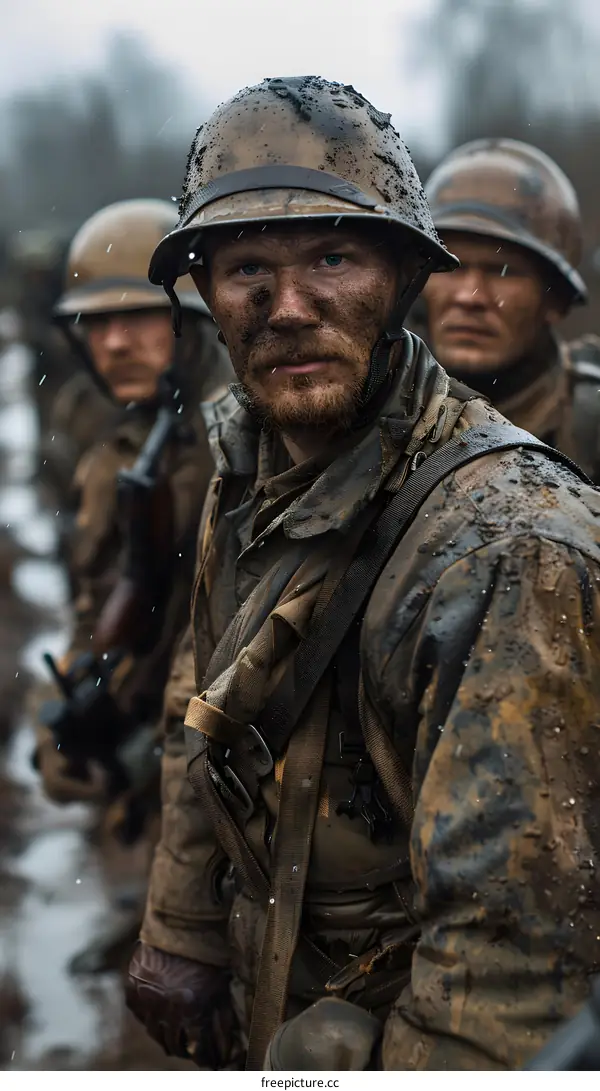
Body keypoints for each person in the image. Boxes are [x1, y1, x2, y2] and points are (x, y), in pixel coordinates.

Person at [125, 78, 600, 1071]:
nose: (287, 307)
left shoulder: (508, 545)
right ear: (207, 294)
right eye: (248, 265)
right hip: (278, 977)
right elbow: (199, 698)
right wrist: (179, 924)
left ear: (399, 278)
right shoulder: (250, 459)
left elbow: (504, 962)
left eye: (333, 257)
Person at [33, 198, 233, 970]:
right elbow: (97, 606)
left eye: (139, 317)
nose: (114, 342)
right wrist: (67, 707)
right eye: (95, 323)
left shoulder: (258, 438)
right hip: (155, 734)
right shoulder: (111, 454)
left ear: (192, 313)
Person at [421, 139, 600, 479]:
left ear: (555, 301)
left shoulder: (590, 427)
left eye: (503, 271)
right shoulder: (369, 409)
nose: (469, 296)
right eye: (451, 266)